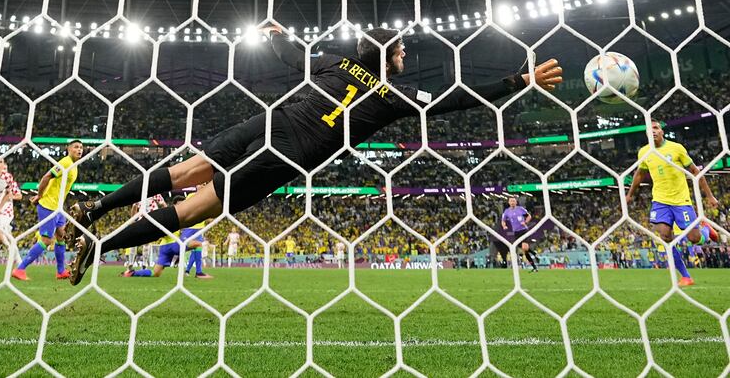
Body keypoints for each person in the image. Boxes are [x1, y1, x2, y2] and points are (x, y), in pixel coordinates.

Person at [66, 25, 563, 285]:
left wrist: (278, 37)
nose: (406, 56)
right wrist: (519, 80)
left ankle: (97, 209)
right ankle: (99, 247)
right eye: (402, 52)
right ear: (387, 56)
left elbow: (291, 58)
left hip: (272, 121)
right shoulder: (394, 96)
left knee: (183, 171)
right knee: (196, 207)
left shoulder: (335, 62)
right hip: (290, 152)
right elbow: (457, 99)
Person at [626, 119, 719, 286]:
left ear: (662, 132)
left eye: (656, 128)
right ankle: (685, 276)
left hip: (680, 200)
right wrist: (629, 195)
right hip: (660, 201)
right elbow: (639, 174)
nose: (653, 131)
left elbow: (695, 172)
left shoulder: (676, 148)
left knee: (694, 238)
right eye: (650, 129)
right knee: (665, 236)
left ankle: (705, 230)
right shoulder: (644, 152)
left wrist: (709, 196)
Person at [12, 140, 84, 281]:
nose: (79, 149)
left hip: (58, 208)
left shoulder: (74, 167)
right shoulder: (65, 163)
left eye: (81, 147)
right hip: (48, 206)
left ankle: (61, 271)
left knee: (61, 236)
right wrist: (39, 195)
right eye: (76, 147)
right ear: (68, 149)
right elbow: (47, 176)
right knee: (46, 240)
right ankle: (20, 269)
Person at [126, 194, 167, 269]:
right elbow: (163, 204)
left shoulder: (139, 194)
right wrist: (165, 217)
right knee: (147, 243)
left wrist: (132, 220)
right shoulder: (155, 193)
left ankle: (131, 263)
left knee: (134, 241)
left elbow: (134, 207)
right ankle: (144, 264)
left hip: (141, 219)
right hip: (153, 219)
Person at [500, 195, 539, 272]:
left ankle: (534, 256)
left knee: (524, 247)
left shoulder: (520, 209)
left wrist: (525, 222)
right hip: (516, 232)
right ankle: (534, 265)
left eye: (514, 201)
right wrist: (504, 226)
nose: (512, 202)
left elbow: (529, 216)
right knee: (525, 251)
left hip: (523, 230)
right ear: (508, 202)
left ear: (516, 202)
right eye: (511, 201)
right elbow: (503, 220)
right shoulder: (507, 211)